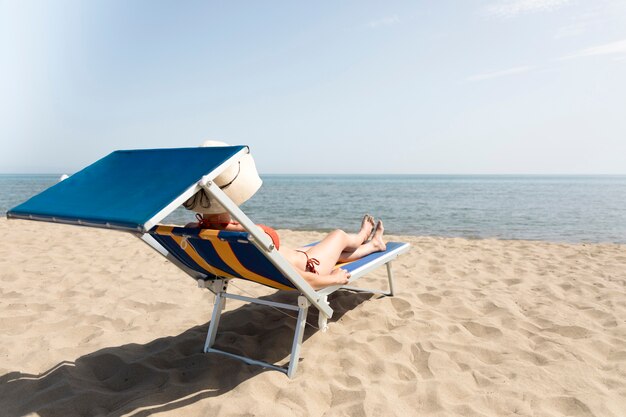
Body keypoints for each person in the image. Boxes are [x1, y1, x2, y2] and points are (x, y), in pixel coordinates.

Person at [188, 213, 387, 290]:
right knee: (339, 236)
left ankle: (374, 245)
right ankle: (362, 236)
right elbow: (307, 281)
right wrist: (335, 278)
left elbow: (193, 225)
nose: (233, 218)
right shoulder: (249, 238)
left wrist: (223, 225)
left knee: (337, 252)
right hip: (310, 268)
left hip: (297, 258)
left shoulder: (205, 236)